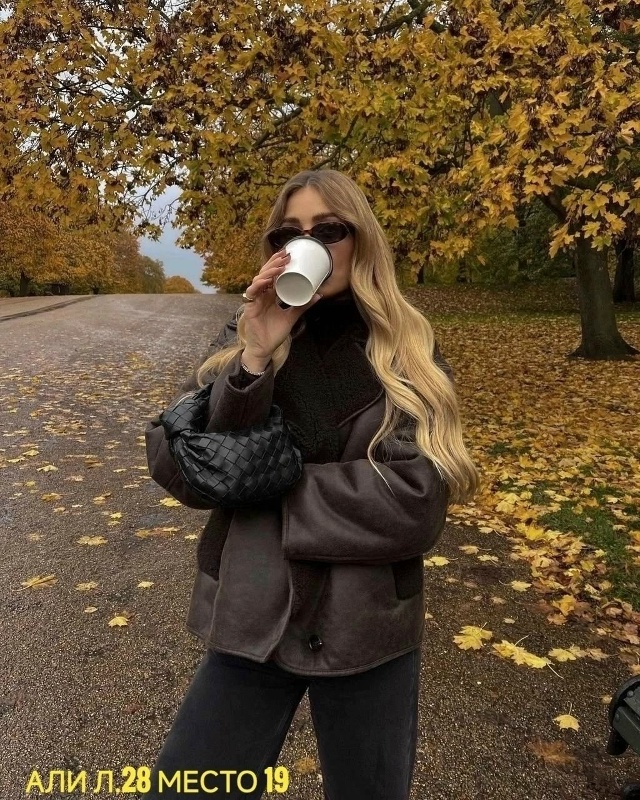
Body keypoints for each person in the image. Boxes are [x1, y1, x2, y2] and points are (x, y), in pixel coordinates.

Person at [144, 168, 480, 800]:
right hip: (251, 612)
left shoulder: (409, 352)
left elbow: (414, 503)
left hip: (365, 625)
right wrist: (255, 358)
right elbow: (189, 464)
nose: (309, 245)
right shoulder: (245, 335)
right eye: (290, 234)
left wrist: (267, 484)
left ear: (362, 241)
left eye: (328, 230)